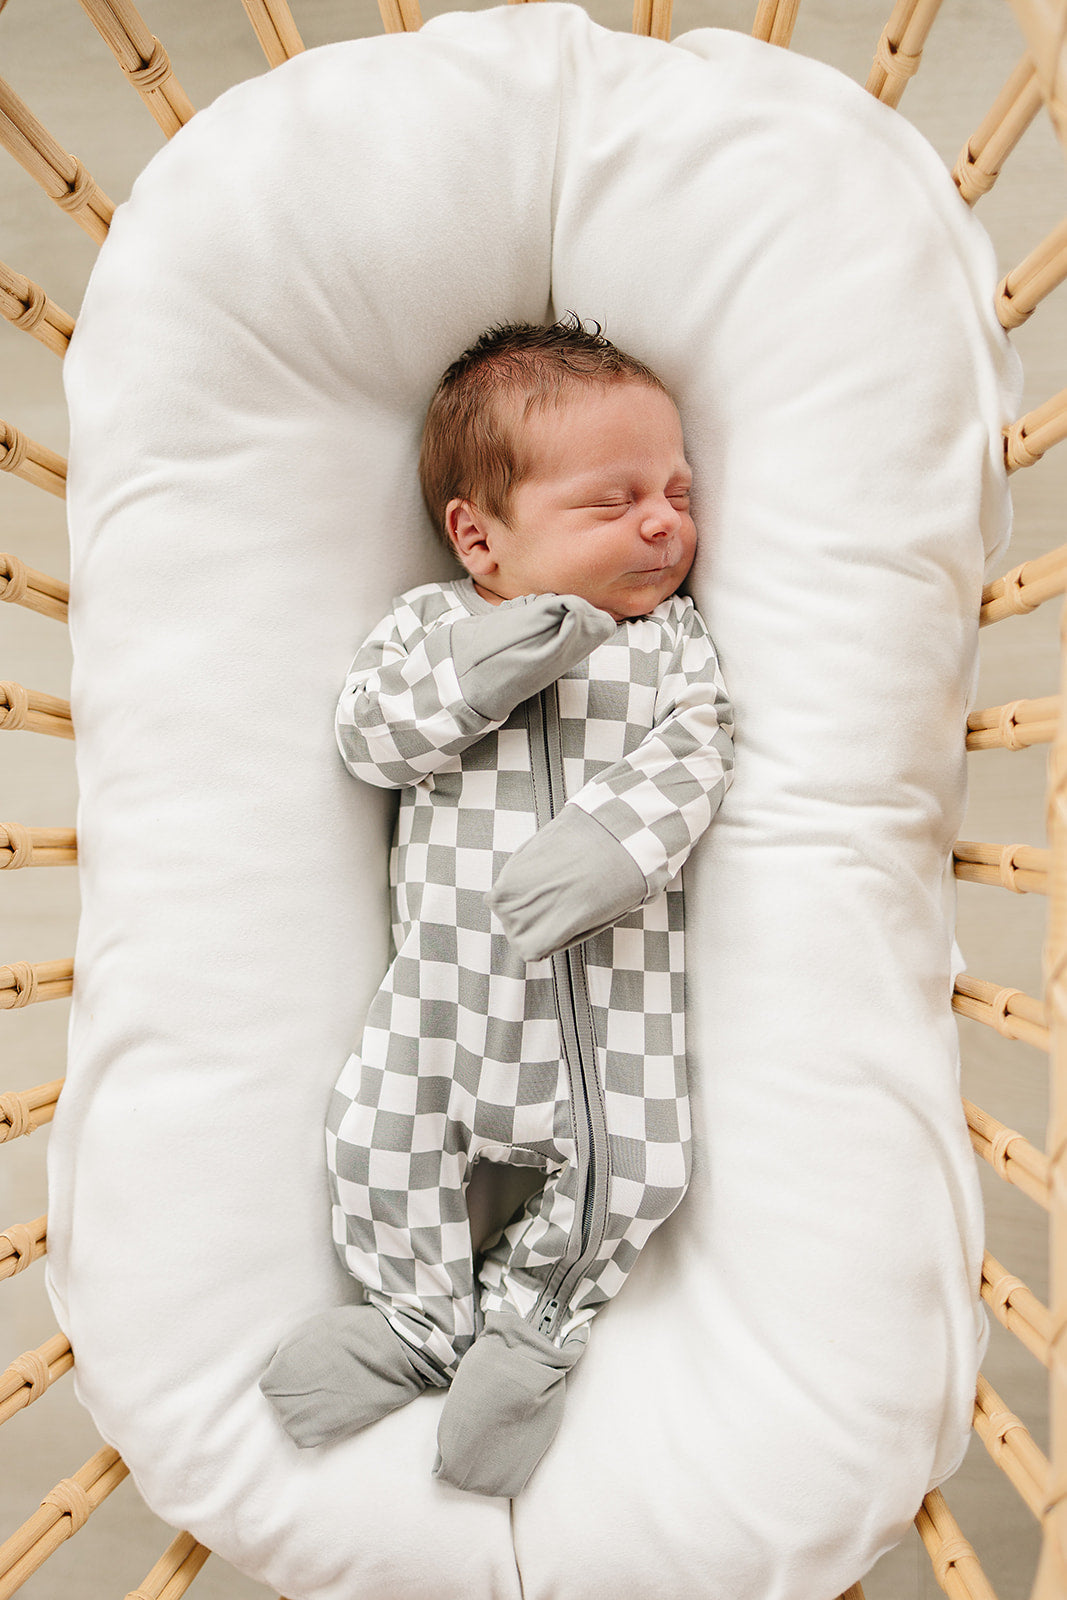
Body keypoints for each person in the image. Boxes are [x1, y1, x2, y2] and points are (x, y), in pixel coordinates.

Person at [260, 316, 735, 1496]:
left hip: (607, 1025)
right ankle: (417, 1318)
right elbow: (369, 734)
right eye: (614, 500)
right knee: (371, 1134)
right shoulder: (432, 627)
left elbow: (699, 751)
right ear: (479, 535)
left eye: (676, 493)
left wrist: (609, 843)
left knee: (641, 1168)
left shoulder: (668, 647)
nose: (663, 522)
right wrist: (486, 669)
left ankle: (529, 1328)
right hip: (439, 1005)